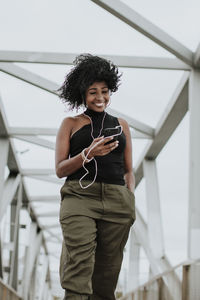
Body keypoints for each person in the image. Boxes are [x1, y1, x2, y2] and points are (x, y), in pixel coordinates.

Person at [55, 54, 136, 300]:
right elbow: (60, 169)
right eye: (93, 92)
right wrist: (86, 154)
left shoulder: (122, 124)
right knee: (79, 266)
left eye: (105, 91)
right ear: (82, 94)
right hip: (80, 198)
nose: (100, 97)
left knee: (107, 274)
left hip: (117, 201)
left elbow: (128, 169)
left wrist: (129, 195)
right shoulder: (70, 123)